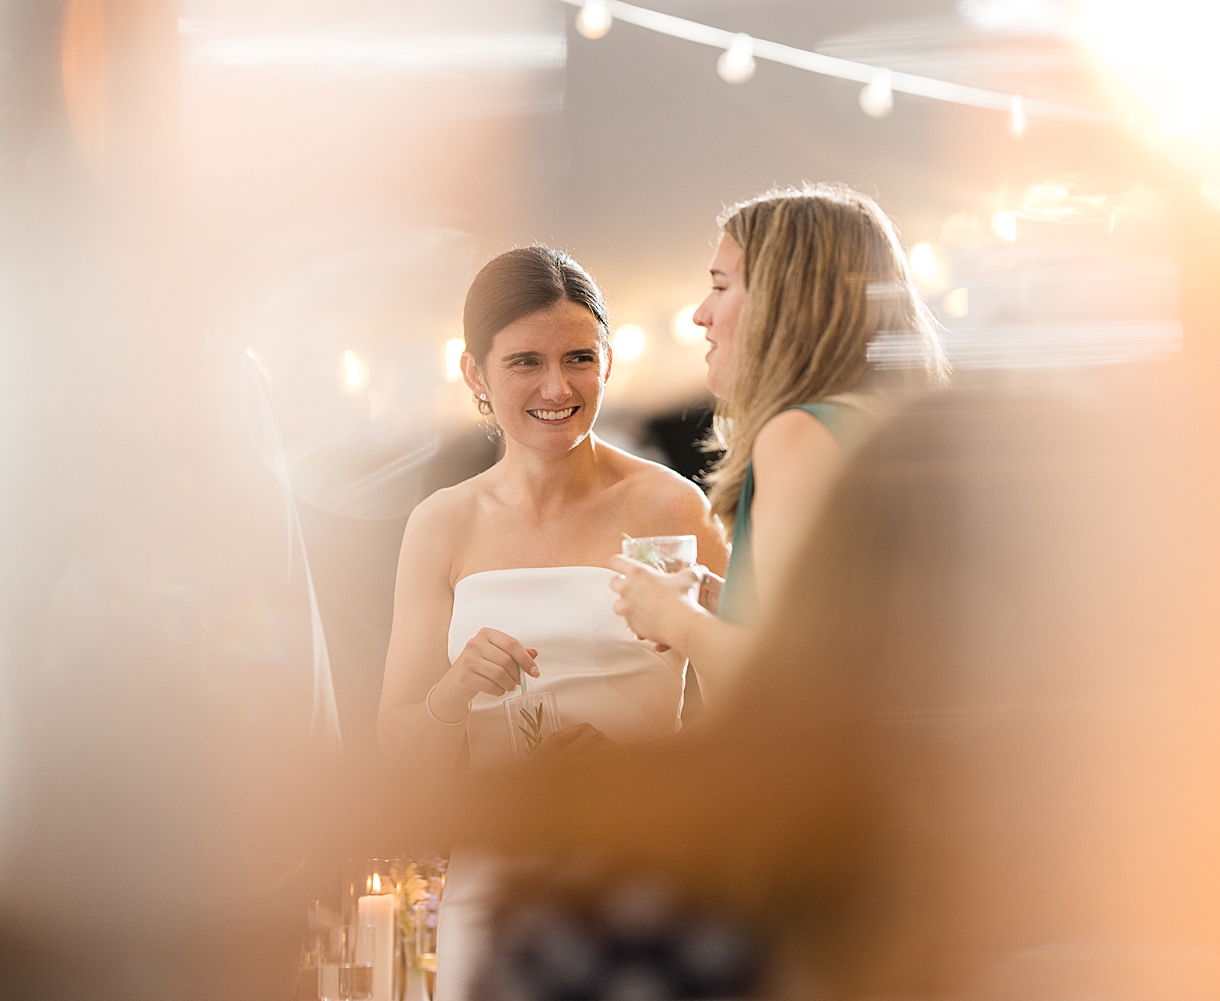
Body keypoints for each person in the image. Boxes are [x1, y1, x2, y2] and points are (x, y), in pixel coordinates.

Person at [377, 244, 728, 772]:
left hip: (643, 839)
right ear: (475, 373)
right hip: (500, 843)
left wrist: (640, 769)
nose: (557, 388)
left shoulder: (666, 507)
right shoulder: (444, 524)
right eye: (526, 362)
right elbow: (402, 753)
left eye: (579, 359)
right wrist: (453, 693)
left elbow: (749, 710)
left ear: (607, 362)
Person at [608, 184, 947, 700]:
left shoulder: (797, 434)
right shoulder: (880, 424)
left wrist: (674, 620)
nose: (701, 314)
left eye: (721, 287)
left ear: (781, 300)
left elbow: (791, 682)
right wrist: (728, 604)